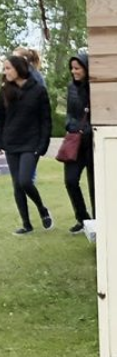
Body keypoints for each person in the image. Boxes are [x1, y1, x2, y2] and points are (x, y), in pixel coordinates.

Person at [1, 53, 53, 235]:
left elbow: (46, 120)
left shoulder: (38, 91)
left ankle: (42, 209)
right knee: (17, 185)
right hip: (11, 143)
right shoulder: (5, 91)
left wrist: (43, 145)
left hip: (31, 144)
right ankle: (26, 224)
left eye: (8, 68)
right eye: (4, 68)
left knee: (25, 181)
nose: (5, 71)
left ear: (19, 69)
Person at [63, 50, 94, 231]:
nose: (74, 72)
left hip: (91, 143)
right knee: (70, 180)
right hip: (75, 142)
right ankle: (82, 218)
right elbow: (69, 112)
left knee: (94, 184)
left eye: (77, 68)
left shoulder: (94, 88)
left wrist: (88, 130)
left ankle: (98, 221)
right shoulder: (70, 87)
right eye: (72, 68)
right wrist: (69, 124)